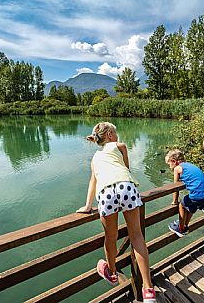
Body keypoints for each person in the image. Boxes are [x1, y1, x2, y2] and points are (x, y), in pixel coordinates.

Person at [76, 122, 156, 303]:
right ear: (110, 134)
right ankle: (148, 290)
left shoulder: (95, 158)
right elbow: (126, 170)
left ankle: (112, 273)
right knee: (136, 235)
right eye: (116, 133)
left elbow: (93, 182)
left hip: (105, 193)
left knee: (110, 237)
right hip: (125, 186)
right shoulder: (119, 146)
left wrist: (88, 206)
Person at [165, 149, 204, 237]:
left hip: (198, 194)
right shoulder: (190, 165)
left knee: (182, 205)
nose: (169, 167)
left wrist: (175, 201)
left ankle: (180, 228)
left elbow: (175, 187)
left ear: (174, 161)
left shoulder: (177, 168)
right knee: (191, 206)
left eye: (169, 165)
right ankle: (185, 226)